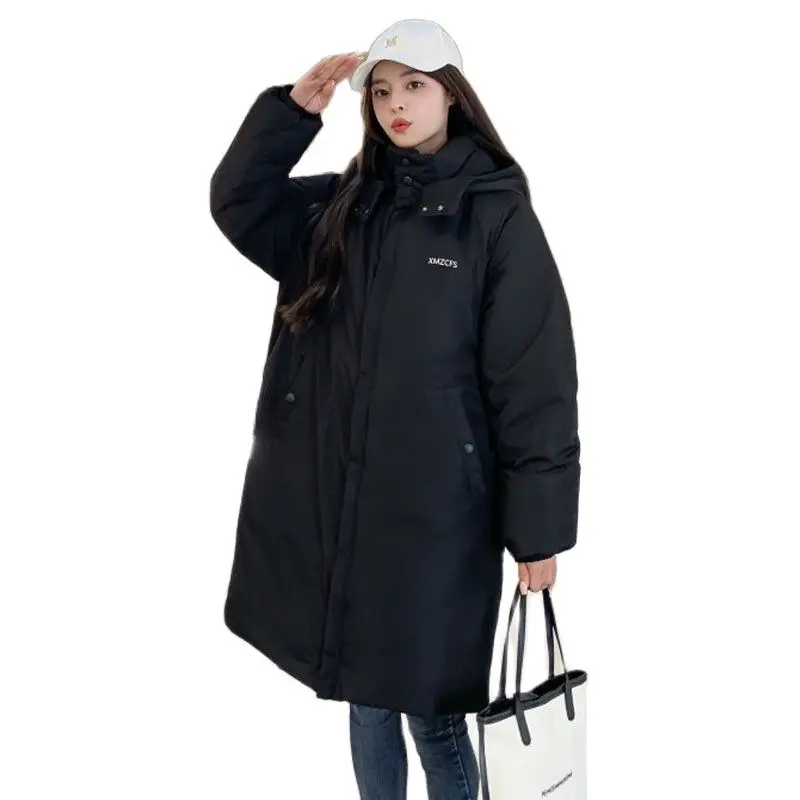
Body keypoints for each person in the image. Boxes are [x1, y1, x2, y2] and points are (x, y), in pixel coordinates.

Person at [209, 17, 580, 800]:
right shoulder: (346, 206)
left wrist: (538, 529)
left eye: (414, 85)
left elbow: (533, 376)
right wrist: (291, 114)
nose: (396, 104)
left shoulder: (495, 215)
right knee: (366, 699)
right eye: (380, 91)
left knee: (433, 714)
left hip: (441, 517)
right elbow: (240, 202)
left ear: (452, 94)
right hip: (349, 502)